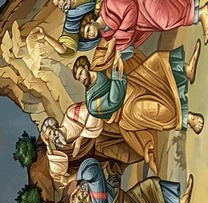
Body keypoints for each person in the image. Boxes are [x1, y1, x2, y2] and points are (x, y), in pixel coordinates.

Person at [72, 47, 202, 173]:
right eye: (78, 78)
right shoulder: (92, 103)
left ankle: (187, 70)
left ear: (86, 67)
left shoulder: (100, 67)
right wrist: (117, 71)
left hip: (132, 83)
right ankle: (188, 118)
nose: (81, 79)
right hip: (125, 111)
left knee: (156, 61)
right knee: (154, 109)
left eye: (81, 73)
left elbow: (109, 52)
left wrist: (117, 60)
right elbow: (114, 100)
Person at [77, 0, 207, 51]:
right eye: (88, 36)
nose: (90, 34)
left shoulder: (109, 5)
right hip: (144, 16)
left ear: (91, 21)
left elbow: (131, 7)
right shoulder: (107, 34)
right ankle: (201, 13)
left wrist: (118, 38)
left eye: (88, 30)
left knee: (166, 19)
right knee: (168, 18)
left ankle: (201, 13)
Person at [38, 108, 140, 190]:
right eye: (49, 138)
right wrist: (48, 146)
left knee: (130, 146)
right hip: (99, 156)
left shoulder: (71, 115)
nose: (52, 137)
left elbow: (93, 110)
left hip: (104, 136)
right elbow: (58, 168)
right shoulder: (63, 149)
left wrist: (81, 137)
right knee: (128, 156)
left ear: (54, 126)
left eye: (50, 133)